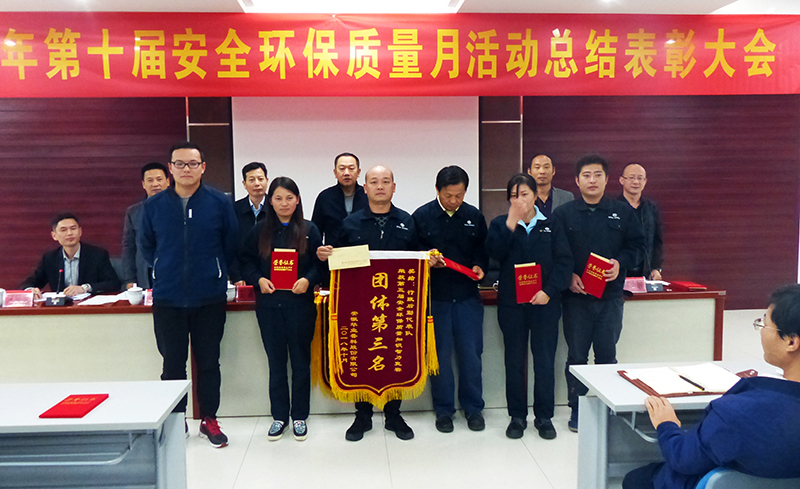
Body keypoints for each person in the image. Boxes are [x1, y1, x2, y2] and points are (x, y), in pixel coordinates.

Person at [623, 284, 800, 489]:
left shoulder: (739, 412)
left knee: (636, 479)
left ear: (791, 342)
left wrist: (667, 425)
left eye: (765, 324)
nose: (761, 331)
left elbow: (683, 459)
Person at [138, 141, 238, 448]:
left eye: (192, 164)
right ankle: (175, 419)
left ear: (203, 167)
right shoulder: (153, 206)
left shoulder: (219, 202)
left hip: (209, 296)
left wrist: (215, 271)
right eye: (179, 164)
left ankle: (209, 419)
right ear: (170, 168)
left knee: (209, 362)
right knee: (172, 364)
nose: (186, 169)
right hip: (168, 298)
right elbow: (146, 247)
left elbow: (230, 243)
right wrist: (164, 268)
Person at [317, 165, 418, 441]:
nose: (380, 186)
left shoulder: (407, 222)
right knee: (362, 354)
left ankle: (393, 414)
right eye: (374, 181)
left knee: (396, 353)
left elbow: (418, 261)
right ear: (366, 187)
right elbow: (335, 263)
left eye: (386, 181)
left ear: (394, 187)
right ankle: (362, 415)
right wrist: (325, 255)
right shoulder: (350, 224)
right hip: (360, 306)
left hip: (397, 307)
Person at [553, 155, 645, 432]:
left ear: (606, 179)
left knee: (607, 356)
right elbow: (555, 252)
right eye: (586, 175)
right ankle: (577, 410)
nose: (592, 180)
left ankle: (608, 408)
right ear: (577, 180)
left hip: (610, 298)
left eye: (597, 175)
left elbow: (637, 247)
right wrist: (568, 276)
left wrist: (620, 263)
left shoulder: (623, 212)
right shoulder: (564, 214)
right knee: (577, 357)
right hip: (576, 299)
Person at [486, 174, 573, 440]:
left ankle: (544, 417)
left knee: (544, 360)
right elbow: (494, 256)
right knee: (514, 360)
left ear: (535, 196)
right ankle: (517, 417)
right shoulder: (500, 224)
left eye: (524, 194)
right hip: (512, 305)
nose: (519, 200)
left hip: (545, 304)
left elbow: (564, 262)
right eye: (514, 195)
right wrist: (511, 223)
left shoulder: (552, 224)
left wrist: (549, 291)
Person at [239, 177, 323, 442]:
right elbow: (246, 263)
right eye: (278, 198)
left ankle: (299, 416)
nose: (284, 203)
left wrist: (308, 280)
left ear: (297, 200)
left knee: (300, 362)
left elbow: (320, 265)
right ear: (271, 201)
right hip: (269, 307)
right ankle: (279, 417)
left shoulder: (309, 229)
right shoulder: (259, 231)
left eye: (289, 198)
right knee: (276, 363)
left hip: (301, 306)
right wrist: (259, 280)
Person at [412, 166, 488, 433]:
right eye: (448, 195)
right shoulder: (421, 216)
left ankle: (473, 408)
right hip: (435, 300)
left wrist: (480, 266)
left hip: (467, 298)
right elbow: (411, 254)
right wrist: (426, 260)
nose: (454, 200)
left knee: (471, 356)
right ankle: (444, 411)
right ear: (437, 190)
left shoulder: (474, 216)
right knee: (440, 357)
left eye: (459, 195)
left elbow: (483, 250)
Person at [22, 212, 121, 299]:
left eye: (73, 228)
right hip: (61, 308)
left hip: (88, 307)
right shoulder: (50, 258)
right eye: (63, 230)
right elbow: (30, 282)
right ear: (54, 236)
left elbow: (113, 284)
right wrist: (30, 289)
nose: (69, 233)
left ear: (80, 231)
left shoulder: (97, 254)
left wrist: (84, 288)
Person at [121, 162, 169, 289]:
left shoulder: (179, 209)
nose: (155, 184)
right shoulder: (133, 212)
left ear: (168, 182)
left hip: (172, 271)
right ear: (143, 184)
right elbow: (129, 248)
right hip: (145, 273)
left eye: (159, 179)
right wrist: (129, 280)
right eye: (150, 180)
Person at [618, 163, 664, 280]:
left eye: (640, 178)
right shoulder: (613, 207)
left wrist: (656, 268)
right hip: (619, 273)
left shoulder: (651, 208)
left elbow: (657, 241)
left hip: (645, 273)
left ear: (645, 181)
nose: (636, 182)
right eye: (631, 177)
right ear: (622, 180)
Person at [311, 152, 368, 246]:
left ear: (358, 172)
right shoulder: (325, 197)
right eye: (342, 168)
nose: (346, 173)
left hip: (362, 251)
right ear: (335, 172)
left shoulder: (367, 196)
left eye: (351, 168)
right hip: (334, 252)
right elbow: (316, 232)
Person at [229, 161, 269, 285]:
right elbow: (229, 246)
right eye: (251, 180)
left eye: (260, 179)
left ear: (267, 181)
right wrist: (236, 276)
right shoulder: (234, 209)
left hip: (271, 276)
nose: (257, 183)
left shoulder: (276, 208)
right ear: (244, 184)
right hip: (242, 278)